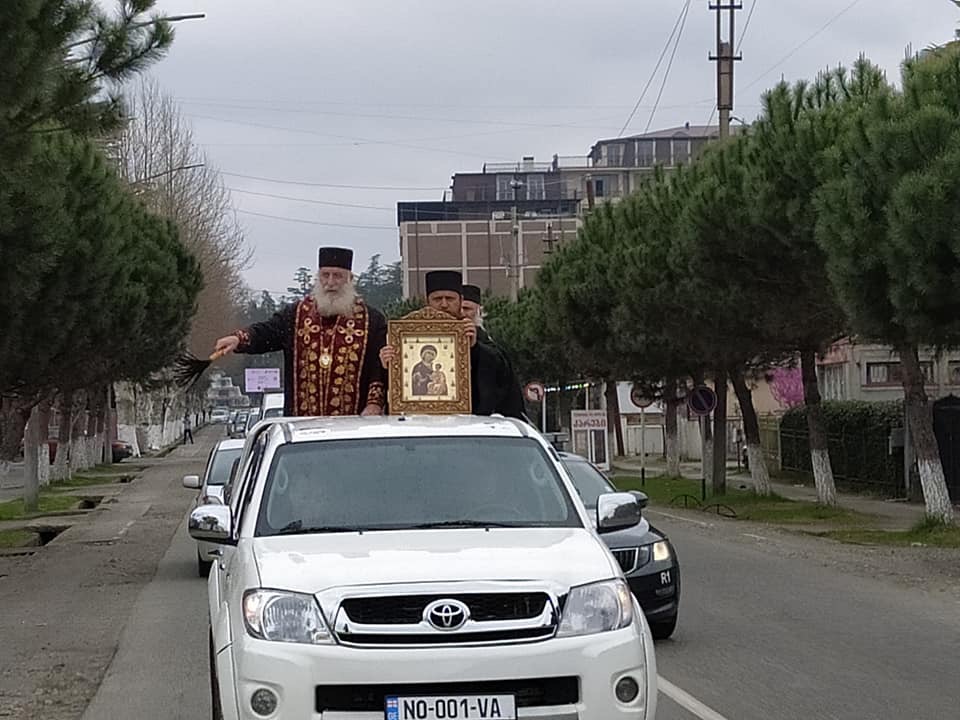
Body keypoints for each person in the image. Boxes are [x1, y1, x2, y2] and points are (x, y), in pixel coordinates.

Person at [213, 247, 387, 417]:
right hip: (301, 425)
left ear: (350, 279)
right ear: (318, 277)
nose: (330, 282)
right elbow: (267, 332)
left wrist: (374, 404)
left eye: (337, 276)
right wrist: (239, 339)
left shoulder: (371, 320)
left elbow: (378, 368)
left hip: (352, 425)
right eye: (325, 275)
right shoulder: (296, 315)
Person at [380, 271, 524, 418]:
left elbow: (499, 370)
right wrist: (388, 365)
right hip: (418, 420)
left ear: (460, 300)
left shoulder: (473, 333)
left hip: (467, 422)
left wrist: (474, 348)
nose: (444, 304)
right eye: (437, 299)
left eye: (450, 299)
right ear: (427, 301)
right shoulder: (406, 334)